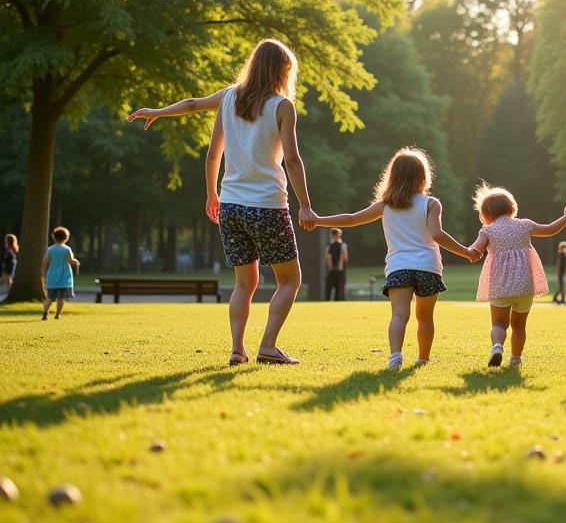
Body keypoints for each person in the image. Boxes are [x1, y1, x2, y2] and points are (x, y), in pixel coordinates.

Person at [128, 38, 314, 366]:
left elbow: (207, 138)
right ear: (283, 71)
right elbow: (294, 161)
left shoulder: (229, 97)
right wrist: (306, 205)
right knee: (290, 280)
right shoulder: (282, 106)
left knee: (245, 283)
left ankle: (237, 349)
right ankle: (268, 346)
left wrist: (212, 192)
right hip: (267, 205)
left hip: (231, 206)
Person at [309, 148, 479, 369]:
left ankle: (395, 356)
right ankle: (423, 359)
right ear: (423, 176)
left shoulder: (385, 205)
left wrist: (318, 219)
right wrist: (466, 251)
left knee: (399, 315)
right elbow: (437, 235)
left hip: (399, 267)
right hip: (428, 267)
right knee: (425, 317)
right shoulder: (431, 204)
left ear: (393, 176)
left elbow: (351, 220)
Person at [468, 184, 566, 367]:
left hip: (500, 285)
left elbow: (475, 250)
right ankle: (516, 358)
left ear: (485, 215)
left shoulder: (487, 231)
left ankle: (496, 346)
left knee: (499, 324)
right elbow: (550, 229)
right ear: (512, 208)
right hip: (524, 285)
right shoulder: (524, 225)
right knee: (519, 326)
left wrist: (469, 253)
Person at [41, 226, 79, 320]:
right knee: (61, 298)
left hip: (52, 276)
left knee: (50, 297)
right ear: (66, 237)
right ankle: (57, 314)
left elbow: (45, 262)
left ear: (54, 237)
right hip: (64, 277)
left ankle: (45, 313)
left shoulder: (50, 249)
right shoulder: (67, 249)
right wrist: (76, 262)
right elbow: (71, 261)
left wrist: (43, 274)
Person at [324, 228, 348, 300]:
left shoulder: (329, 246)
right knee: (339, 290)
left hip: (331, 271)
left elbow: (327, 257)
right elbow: (345, 258)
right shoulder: (343, 245)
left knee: (328, 289)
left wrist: (331, 266)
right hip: (340, 271)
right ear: (339, 235)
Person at [553, 240, 566, 304]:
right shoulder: (561, 255)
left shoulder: (563, 255)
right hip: (561, 274)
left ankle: (555, 298)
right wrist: (560, 274)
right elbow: (560, 265)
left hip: (562, 274)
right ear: (562, 248)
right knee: (562, 287)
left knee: (561, 287)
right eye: (565, 248)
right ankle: (562, 300)